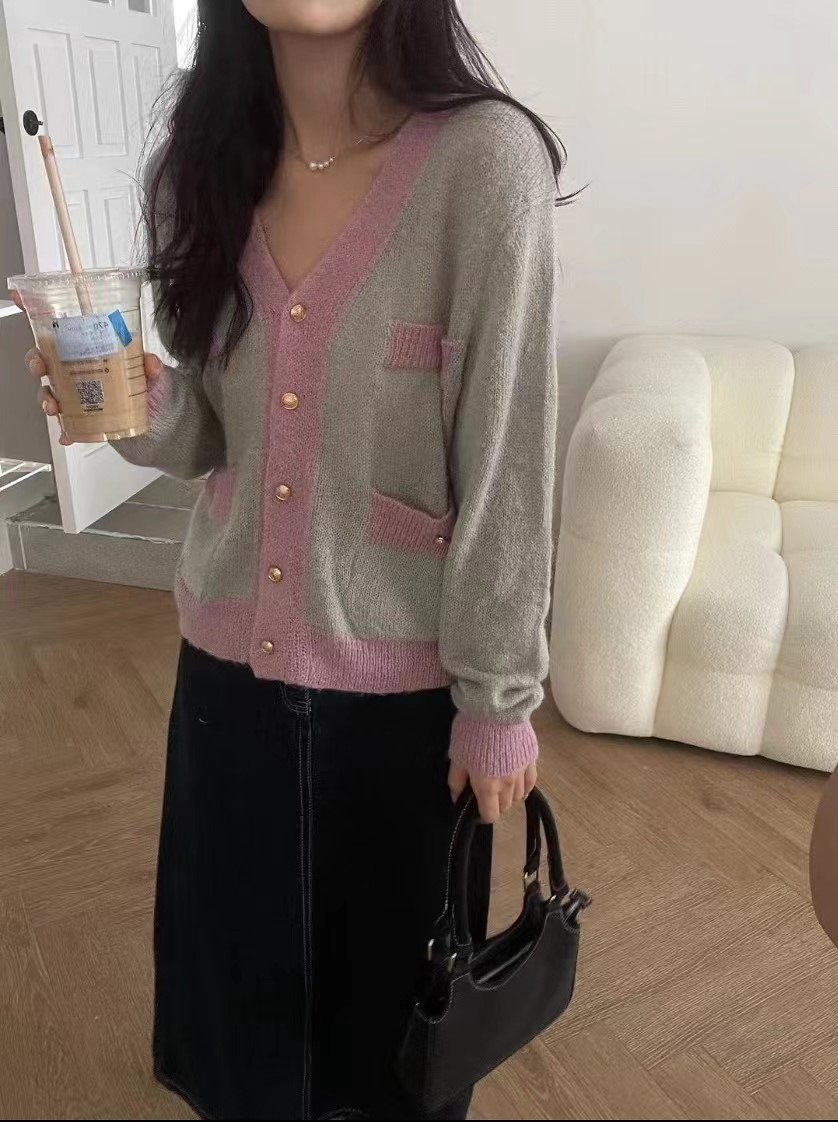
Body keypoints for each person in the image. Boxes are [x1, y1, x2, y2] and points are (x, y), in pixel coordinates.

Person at [24, 1, 563, 1117]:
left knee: (394, 1059)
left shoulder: (483, 163)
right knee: (245, 1045)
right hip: (227, 690)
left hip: (406, 716)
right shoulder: (198, 167)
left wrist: (499, 698)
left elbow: (507, 459)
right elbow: (215, 436)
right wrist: (132, 402)